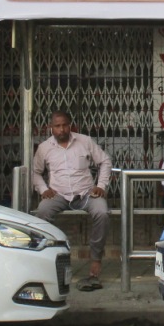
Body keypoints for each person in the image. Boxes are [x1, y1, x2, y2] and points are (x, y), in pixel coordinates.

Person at [32, 110, 112, 291]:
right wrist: (44, 189)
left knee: (102, 212)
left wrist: (101, 185)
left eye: (65, 125)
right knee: (42, 213)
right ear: (51, 128)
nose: (62, 129)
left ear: (70, 125)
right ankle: (47, 258)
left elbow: (105, 161)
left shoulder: (84, 141)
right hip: (58, 194)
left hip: (85, 193)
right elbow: (35, 172)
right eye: (57, 126)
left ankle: (96, 258)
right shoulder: (44, 148)